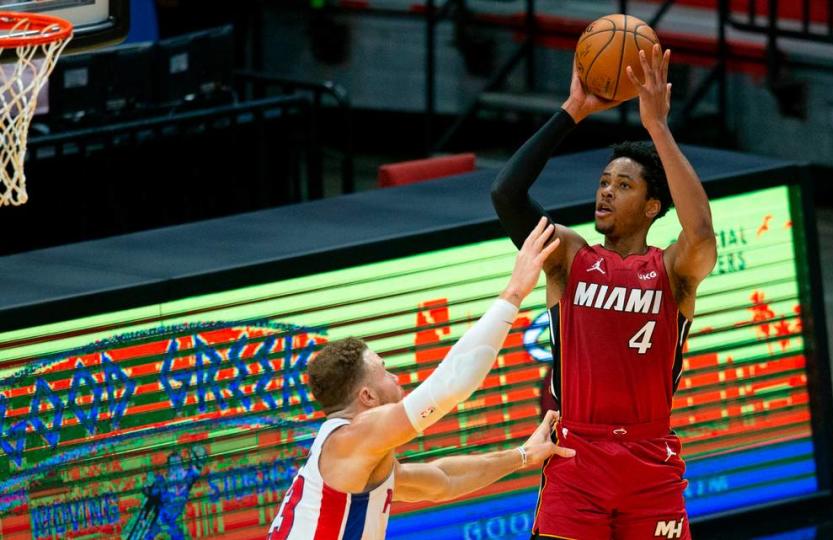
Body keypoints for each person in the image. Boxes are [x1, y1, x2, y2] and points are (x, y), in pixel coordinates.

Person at [491, 45, 717, 539]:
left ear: (654, 205)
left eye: (623, 185)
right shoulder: (569, 257)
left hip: (649, 460)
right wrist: (571, 112)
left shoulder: (674, 269)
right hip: (577, 457)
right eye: (604, 181)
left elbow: (700, 231)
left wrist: (658, 126)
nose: (606, 191)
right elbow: (506, 194)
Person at [267, 218, 575, 539]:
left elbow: (445, 480)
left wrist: (523, 455)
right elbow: (449, 386)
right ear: (367, 397)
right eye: (384, 370)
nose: (395, 376)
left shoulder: (362, 461)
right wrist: (514, 292)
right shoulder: (353, 438)